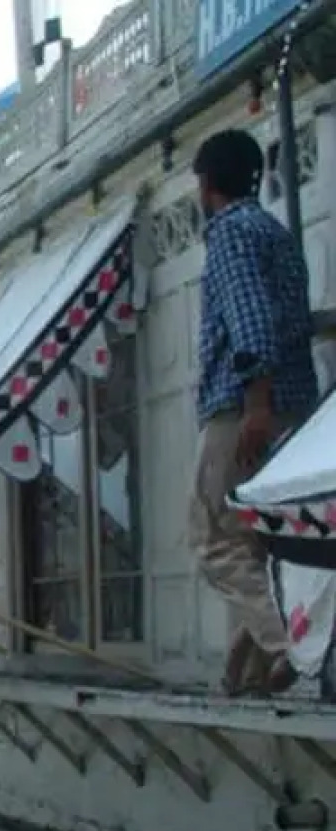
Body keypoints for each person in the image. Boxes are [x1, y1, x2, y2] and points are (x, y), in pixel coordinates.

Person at [190, 128, 319, 696]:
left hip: (245, 407)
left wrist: (255, 405)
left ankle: (292, 645)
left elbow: (251, 324)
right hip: (294, 408)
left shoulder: (230, 234)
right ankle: (244, 677)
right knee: (262, 543)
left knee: (214, 538)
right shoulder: (274, 232)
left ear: (207, 184)